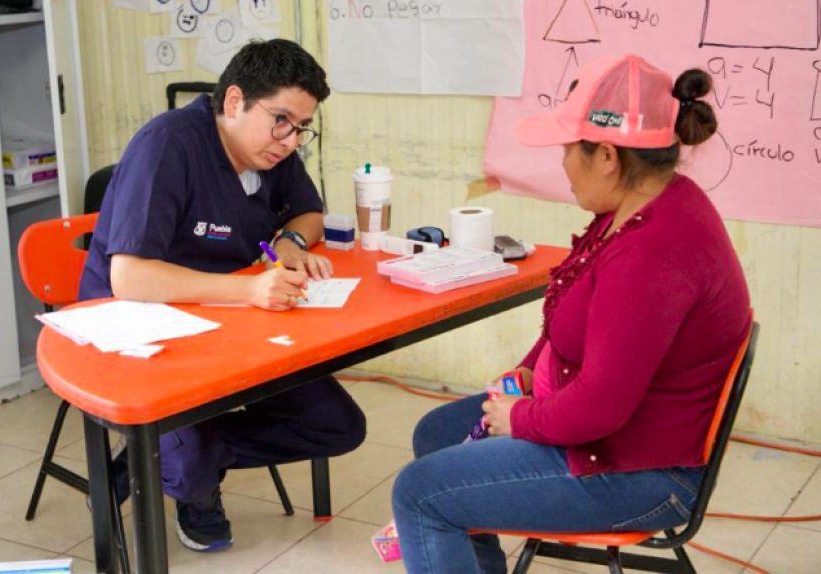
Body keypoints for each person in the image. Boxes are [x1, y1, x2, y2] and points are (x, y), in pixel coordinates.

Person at [391, 53, 751, 574]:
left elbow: (600, 408)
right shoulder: (641, 207)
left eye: (568, 148)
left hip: (639, 471)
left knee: (419, 493)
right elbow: (574, 311)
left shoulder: (652, 253)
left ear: (606, 155)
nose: (562, 163)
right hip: (616, 434)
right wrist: (529, 369)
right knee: (436, 433)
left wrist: (521, 418)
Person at [78, 39, 366, 553]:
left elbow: (309, 214)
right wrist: (250, 288)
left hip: (229, 320)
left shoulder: (271, 149)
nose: (291, 140)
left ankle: (169, 452)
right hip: (138, 329)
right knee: (188, 468)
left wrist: (288, 243)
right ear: (234, 101)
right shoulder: (169, 144)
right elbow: (129, 279)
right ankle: (187, 471)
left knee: (338, 426)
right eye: (282, 120)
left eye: (303, 127)